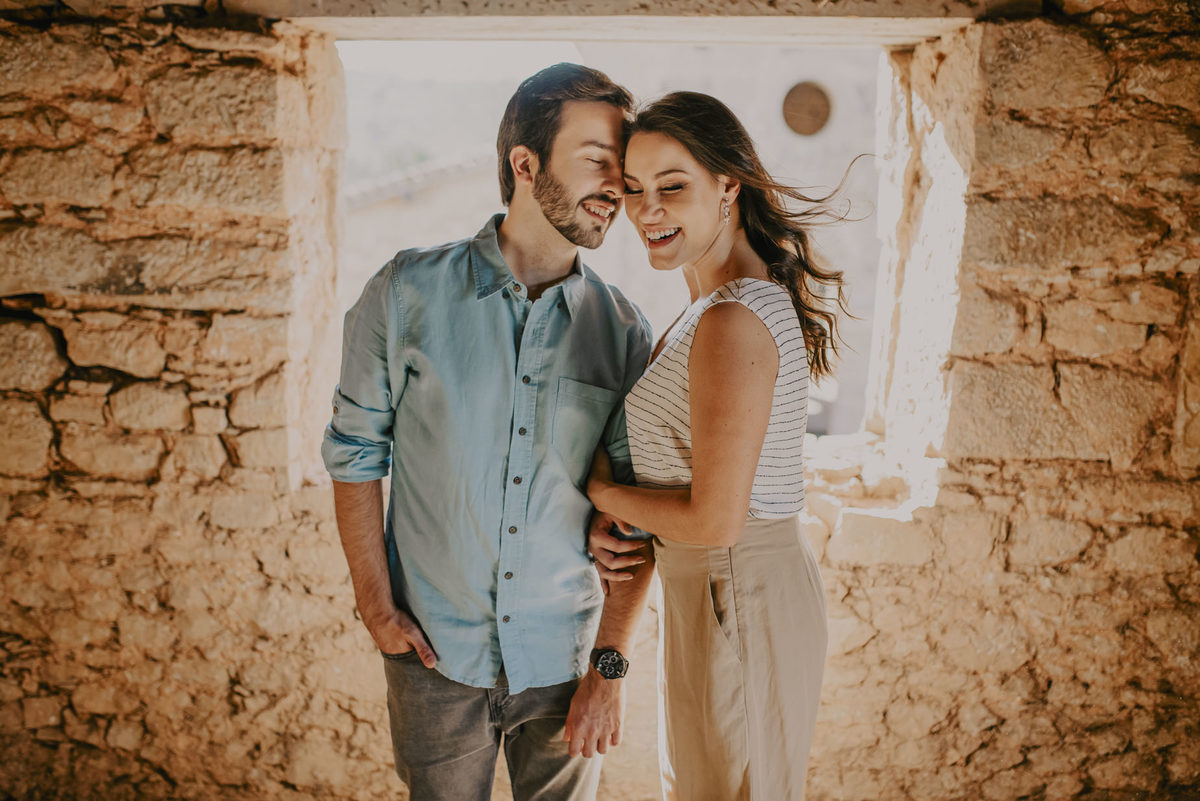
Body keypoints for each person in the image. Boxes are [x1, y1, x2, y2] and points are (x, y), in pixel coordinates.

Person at [321, 63, 655, 801]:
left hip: (565, 662)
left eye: (621, 170)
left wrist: (608, 666)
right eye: (598, 160)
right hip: (434, 658)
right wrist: (375, 606)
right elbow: (353, 454)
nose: (617, 187)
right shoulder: (405, 293)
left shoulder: (625, 332)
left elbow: (636, 518)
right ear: (525, 164)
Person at [585, 91, 848, 801]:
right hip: (717, 590)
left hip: (738, 588)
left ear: (728, 185)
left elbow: (714, 519)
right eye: (634, 189)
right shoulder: (713, 307)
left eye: (673, 187)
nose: (648, 210)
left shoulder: (733, 318)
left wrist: (598, 490)